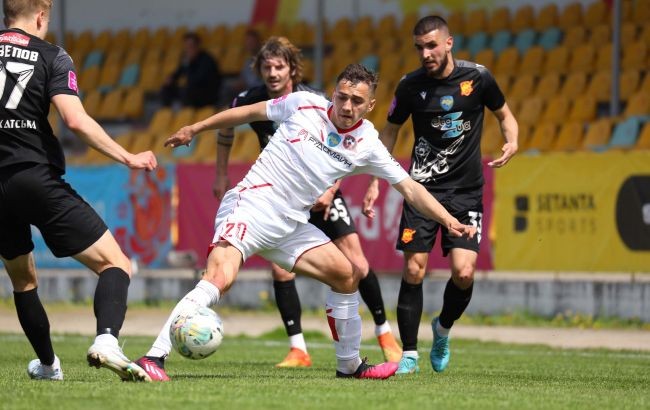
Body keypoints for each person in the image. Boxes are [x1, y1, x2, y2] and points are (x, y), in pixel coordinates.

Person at [135, 63, 476, 382]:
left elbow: (411, 188)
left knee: (346, 274)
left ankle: (349, 365)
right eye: (342, 96)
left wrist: (448, 221)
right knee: (219, 278)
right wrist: (195, 128)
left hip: (290, 225)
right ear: (334, 93)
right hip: (252, 206)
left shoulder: (368, 143)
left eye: (357, 101)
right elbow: (248, 112)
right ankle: (153, 357)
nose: (346, 106)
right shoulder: (304, 104)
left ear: (370, 105)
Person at [206, 36, 401, 369]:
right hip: (283, 194)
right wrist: (221, 173)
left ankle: (384, 333)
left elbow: (341, 150)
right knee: (281, 270)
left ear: (292, 69)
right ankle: (298, 349)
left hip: (323, 191)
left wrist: (330, 191)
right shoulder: (249, 99)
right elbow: (226, 130)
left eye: (279, 66)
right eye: (266, 67)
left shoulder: (316, 100)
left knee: (357, 263)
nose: (272, 73)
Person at [0, 0, 157, 382]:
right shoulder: (51, 55)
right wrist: (127, 156)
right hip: (33, 175)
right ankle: (107, 340)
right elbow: (74, 119)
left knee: (23, 279)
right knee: (116, 263)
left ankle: (48, 366)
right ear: (41, 16)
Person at [363, 15, 518, 375]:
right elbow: (390, 131)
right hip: (422, 190)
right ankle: (410, 355)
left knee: (463, 273)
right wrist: (375, 178)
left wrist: (512, 140)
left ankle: (443, 329)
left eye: (432, 45)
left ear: (449, 43)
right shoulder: (410, 86)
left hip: (466, 192)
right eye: (419, 47)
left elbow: (505, 115)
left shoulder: (478, 78)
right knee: (414, 268)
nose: (425, 53)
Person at [160, 32, 222, 108]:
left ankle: (187, 111)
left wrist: (189, 66)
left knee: (187, 90)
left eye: (191, 46)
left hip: (207, 92)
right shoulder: (186, 58)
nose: (188, 49)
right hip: (191, 89)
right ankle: (168, 112)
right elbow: (179, 71)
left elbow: (199, 79)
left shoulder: (207, 60)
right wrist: (171, 78)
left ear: (197, 46)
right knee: (166, 89)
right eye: (186, 47)